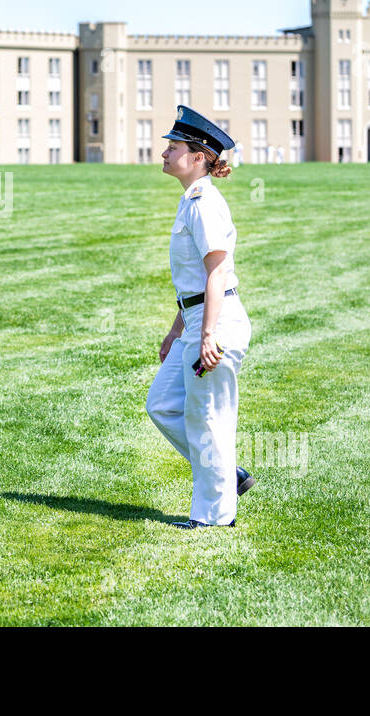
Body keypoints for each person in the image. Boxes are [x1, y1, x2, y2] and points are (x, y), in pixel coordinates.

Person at [146, 105, 254, 528]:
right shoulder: (190, 200)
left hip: (217, 322)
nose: (165, 153)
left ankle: (213, 516)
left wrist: (208, 335)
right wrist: (177, 330)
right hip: (196, 320)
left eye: (173, 147)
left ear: (197, 157)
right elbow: (192, 281)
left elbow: (216, 272)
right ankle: (229, 474)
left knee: (207, 417)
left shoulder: (204, 202)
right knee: (163, 404)